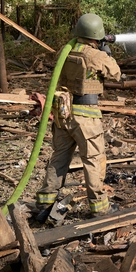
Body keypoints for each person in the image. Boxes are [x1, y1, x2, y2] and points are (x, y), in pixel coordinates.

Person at [37, 13, 121, 216]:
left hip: (64, 113)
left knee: (59, 158)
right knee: (93, 160)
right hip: (86, 117)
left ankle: (45, 202)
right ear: (97, 35)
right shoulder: (96, 56)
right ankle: (100, 208)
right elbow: (116, 74)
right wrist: (107, 53)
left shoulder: (66, 50)